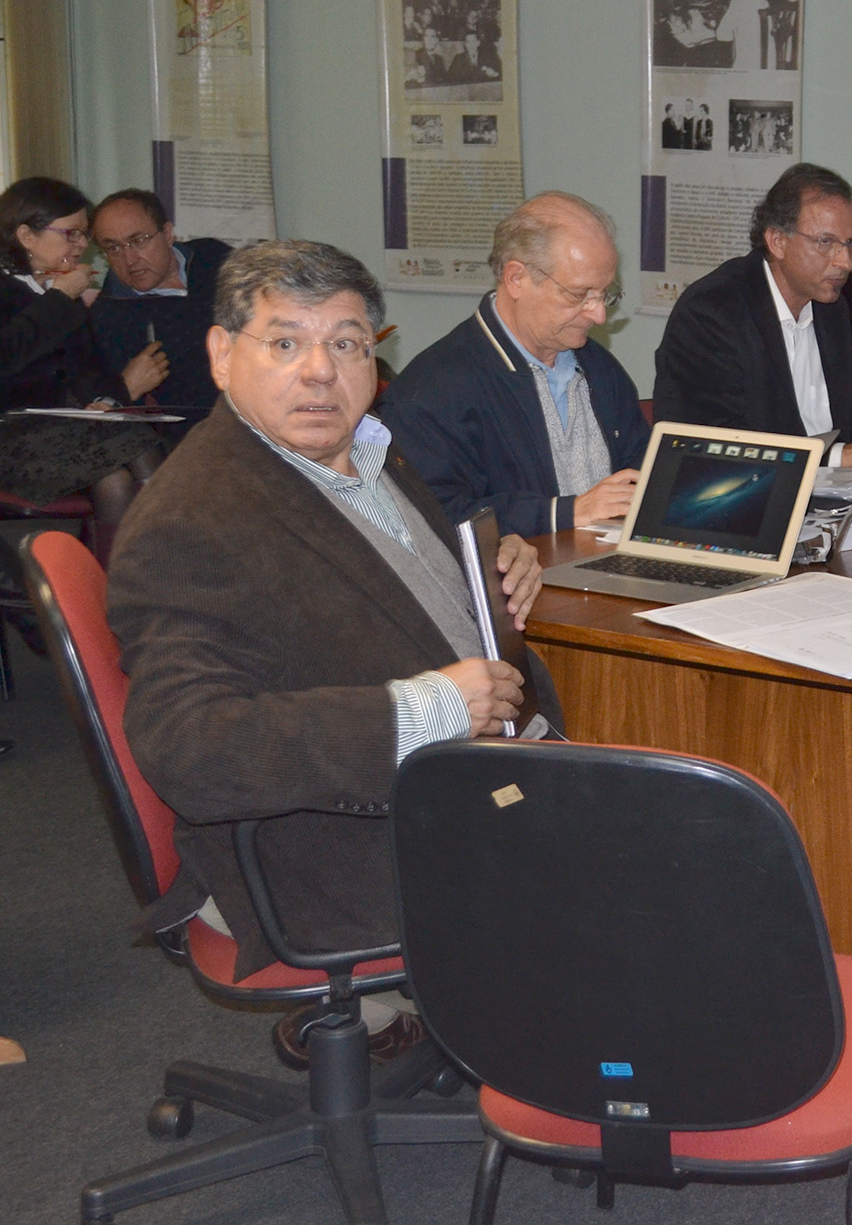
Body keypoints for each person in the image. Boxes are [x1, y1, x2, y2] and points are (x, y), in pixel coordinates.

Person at [109, 240, 557, 1064]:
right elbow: (193, 749)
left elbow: (373, 598)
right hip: (330, 840)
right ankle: (610, 1093)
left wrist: (489, 577)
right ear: (219, 354)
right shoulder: (193, 522)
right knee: (666, 842)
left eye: (346, 342)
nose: (321, 371)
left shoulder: (369, 455)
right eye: (285, 342)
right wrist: (428, 708)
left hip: (458, 781)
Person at [653, 163, 852, 467]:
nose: (845, 262)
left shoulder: (829, 307)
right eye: (826, 243)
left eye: (850, 244)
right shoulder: (712, 312)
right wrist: (840, 456)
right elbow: (721, 447)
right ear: (777, 241)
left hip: (830, 497)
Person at [378, 192, 652, 536]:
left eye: (605, 295)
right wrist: (564, 513)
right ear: (516, 278)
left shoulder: (598, 367)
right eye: (578, 295)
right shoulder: (431, 394)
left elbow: (641, 469)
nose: (598, 315)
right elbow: (433, 519)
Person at [0, 177, 168, 561]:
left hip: (56, 434)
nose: (81, 246)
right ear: (26, 235)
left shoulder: (61, 295)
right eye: (71, 234)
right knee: (139, 444)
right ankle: (159, 577)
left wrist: (104, 399)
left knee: (114, 478)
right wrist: (58, 299)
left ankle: (120, 593)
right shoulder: (38, 294)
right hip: (9, 438)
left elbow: (89, 369)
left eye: (83, 236)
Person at [86, 188, 234, 424]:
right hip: (198, 436)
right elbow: (109, 400)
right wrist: (123, 391)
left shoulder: (215, 258)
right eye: (113, 248)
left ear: (167, 234)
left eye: (138, 241)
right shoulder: (107, 318)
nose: (129, 260)